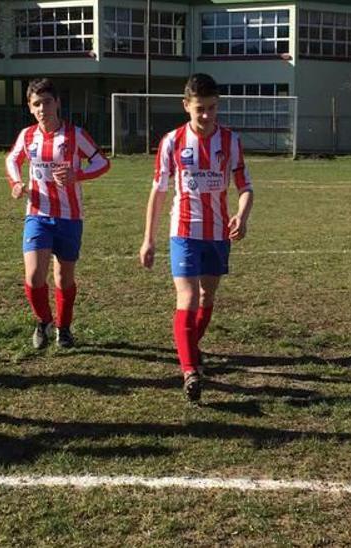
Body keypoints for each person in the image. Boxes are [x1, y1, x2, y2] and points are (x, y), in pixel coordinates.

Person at [138, 73, 254, 403]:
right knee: (186, 297)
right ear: (186, 105)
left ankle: (191, 346)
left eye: (212, 108)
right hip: (184, 232)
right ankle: (189, 370)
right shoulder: (172, 142)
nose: (206, 116)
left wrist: (241, 216)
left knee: (207, 297)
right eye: (200, 108)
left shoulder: (230, 142)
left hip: (218, 234)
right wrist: (149, 239)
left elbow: (245, 188)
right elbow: (159, 193)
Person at [5, 79, 111, 349]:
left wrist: (78, 175)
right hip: (38, 214)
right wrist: (16, 183)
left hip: (69, 217)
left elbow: (102, 162)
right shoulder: (27, 136)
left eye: (47, 102)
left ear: (58, 103)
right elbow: (12, 160)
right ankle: (43, 321)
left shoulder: (75, 135)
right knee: (34, 276)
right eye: (36, 104)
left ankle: (64, 328)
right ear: (30, 108)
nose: (42, 108)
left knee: (64, 279)